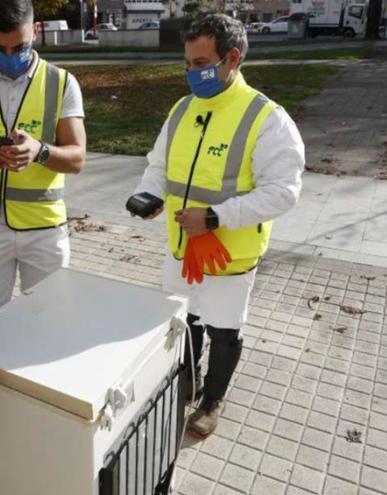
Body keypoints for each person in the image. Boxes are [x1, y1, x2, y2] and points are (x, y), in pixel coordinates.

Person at [131, 14, 305, 439]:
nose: (192, 73)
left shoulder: (266, 118)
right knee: (183, 322)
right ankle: (184, 384)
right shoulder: (182, 108)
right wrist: (148, 193)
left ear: (232, 58)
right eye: (188, 63)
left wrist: (214, 217)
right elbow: (159, 164)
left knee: (223, 330)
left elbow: (284, 191)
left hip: (229, 254)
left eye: (201, 62)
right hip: (180, 248)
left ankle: (212, 401)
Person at [0, 0, 87, 325]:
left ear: (35, 30)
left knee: (50, 317)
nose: (9, 56)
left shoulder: (62, 84)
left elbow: (78, 158)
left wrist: (40, 152)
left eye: (19, 47)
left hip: (44, 227)